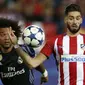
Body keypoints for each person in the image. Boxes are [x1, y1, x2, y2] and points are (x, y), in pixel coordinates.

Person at [4, 3, 84, 85]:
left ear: (81, 20)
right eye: (71, 18)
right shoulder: (54, 41)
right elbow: (32, 64)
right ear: (65, 20)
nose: (75, 22)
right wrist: (16, 45)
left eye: (77, 18)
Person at [0, 18, 48, 85]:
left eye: (10, 34)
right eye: (3, 35)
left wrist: (44, 72)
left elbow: (35, 63)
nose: (7, 38)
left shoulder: (25, 49)